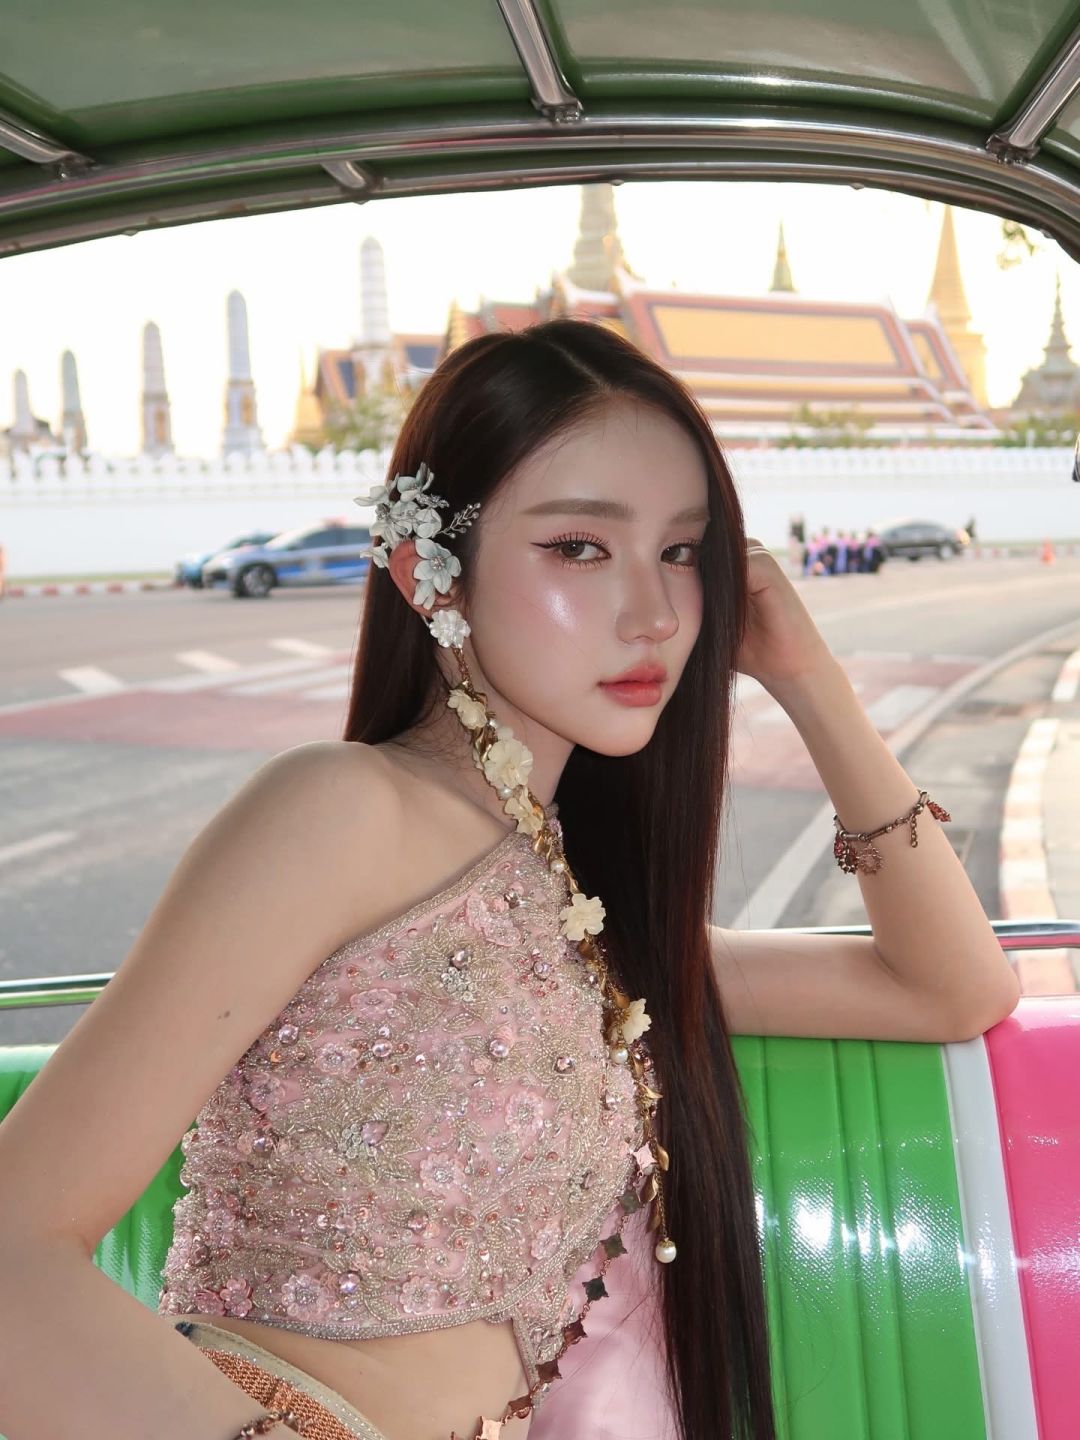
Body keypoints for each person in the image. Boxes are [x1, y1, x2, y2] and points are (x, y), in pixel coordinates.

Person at [0, 320, 1019, 1440]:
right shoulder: (342, 811)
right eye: (579, 547)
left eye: (684, 552)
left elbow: (950, 989)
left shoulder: (585, 913)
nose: (656, 614)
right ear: (426, 572)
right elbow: (14, 1248)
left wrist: (809, 677)